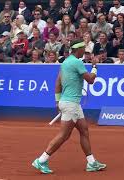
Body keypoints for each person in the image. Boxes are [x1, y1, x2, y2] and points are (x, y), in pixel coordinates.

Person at [32, 40, 106, 174]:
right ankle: (41, 160)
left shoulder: (65, 62)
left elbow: (58, 83)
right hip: (71, 104)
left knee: (84, 130)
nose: (85, 52)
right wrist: (95, 67)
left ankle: (91, 162)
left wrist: (57, 102)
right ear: (78, 50)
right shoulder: (77, 62)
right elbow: (90, 80)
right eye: (84, 49)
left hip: (71, 104)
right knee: (64, 135)